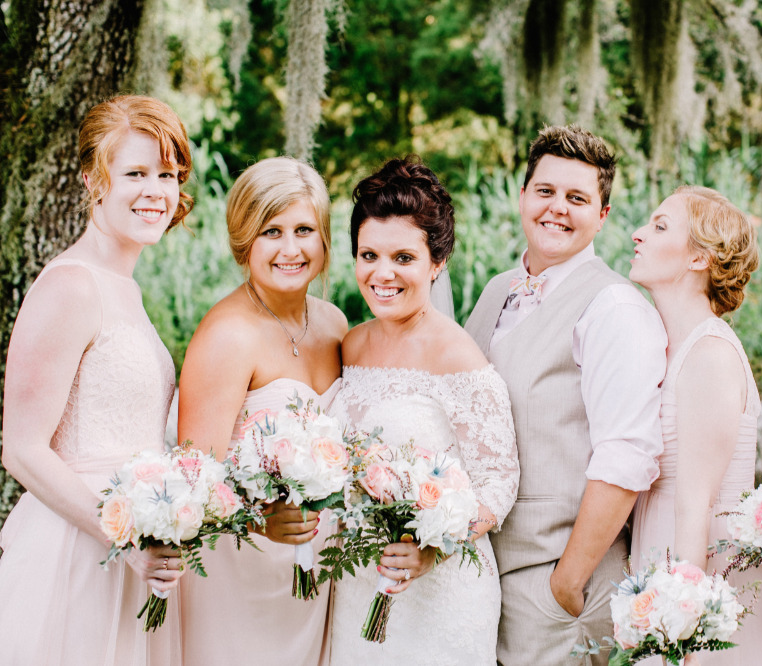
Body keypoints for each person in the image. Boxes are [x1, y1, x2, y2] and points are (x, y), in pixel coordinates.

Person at [465, 125, 667, 666]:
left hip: (556, 589)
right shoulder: (496, 290)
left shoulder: (615, 308)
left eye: (578, 198)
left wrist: (567, 583)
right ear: (524, 194)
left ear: (602, 215)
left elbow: (626, 455)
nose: (558, 208)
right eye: (546, 191)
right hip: (483, 578)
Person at [0, 95, 192, 664]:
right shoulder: (71, 286)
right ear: (93, 180)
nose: (155, 190)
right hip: (77, 550)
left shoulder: (124, 289)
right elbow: (22, 449)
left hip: (134, 552)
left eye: (167, 174)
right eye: (135, 172)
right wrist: (120, 536)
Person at [326, 157, 518, 664]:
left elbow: (499, 484)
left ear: (436, 263)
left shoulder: (458, 358)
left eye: (403, 258)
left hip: (440, 594)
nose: (382, 274)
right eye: (368, 254)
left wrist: (431, 546)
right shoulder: (350, 344)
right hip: (359, 585)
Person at [176, 157, 348, 665]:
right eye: (272, 231)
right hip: (241, 574)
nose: (291, 249)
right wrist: (261, 520)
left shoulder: (335, 324)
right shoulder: (227, 336)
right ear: (243, 239)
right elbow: (193, 479)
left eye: (304, 230)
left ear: (324, 239)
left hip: (314, 576)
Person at [628, 186, 762, 666]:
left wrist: (681, 635)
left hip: (697, 568)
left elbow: (696, 506)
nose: (638, 234)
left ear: (699, 259)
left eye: (660, 226)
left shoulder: (710, 355)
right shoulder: (665, 346)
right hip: (658, 549)